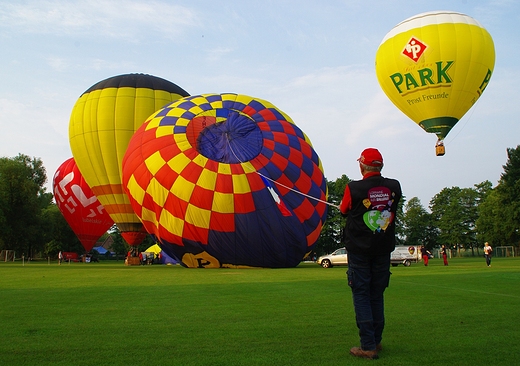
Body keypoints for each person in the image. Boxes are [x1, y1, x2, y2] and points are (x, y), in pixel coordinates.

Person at [339, 148, 402, 360]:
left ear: (361, 165)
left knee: (361, 294)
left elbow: (343, 209)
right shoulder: (394, 186)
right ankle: (375, 340)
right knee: (376, 294)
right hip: (383, 248)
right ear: (381, 166)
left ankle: (367, 345)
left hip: (358, 250)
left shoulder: (353, 188)